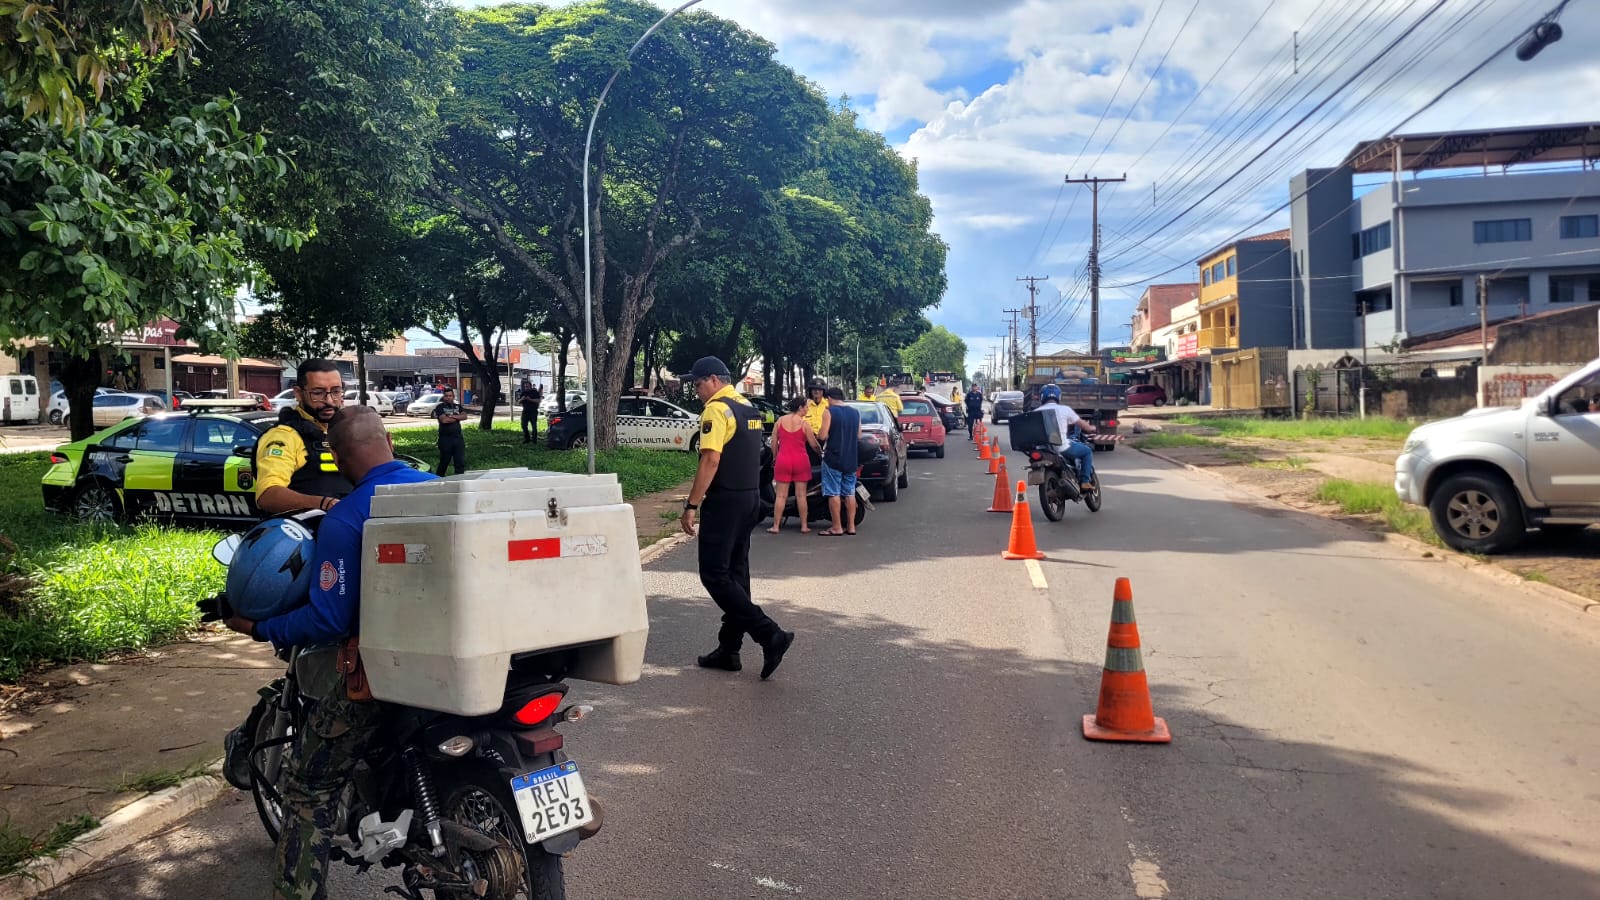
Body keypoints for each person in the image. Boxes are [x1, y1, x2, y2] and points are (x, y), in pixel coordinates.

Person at [223, 406, 437, 900]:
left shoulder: (349, 516)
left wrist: (260, 627)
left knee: (307, 789)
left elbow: (328, 620)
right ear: (386, 439)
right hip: (455, 661)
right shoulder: (437, 488)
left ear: (338, 458)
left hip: (384, 671)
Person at [679, 357, 794, 679]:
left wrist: (691, 505)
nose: (697, 390)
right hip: (750, 498)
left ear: (713, 380)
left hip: (726, 499)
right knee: (736, 574)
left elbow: (711, 460)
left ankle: (769, 633)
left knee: (715, 575)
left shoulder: (717, 410)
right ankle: (729, 649)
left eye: (698, 383)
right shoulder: (748, 408)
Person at [255, 359, 353, 516]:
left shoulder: (345, 431)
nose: (329, 401)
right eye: (318, 393)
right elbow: (268, 495)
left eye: (336, 391)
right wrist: (324, 504)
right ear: (298, 393)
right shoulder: (284, 437)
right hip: (305, 534)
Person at [767, 396, 820, 534]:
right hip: (801, 461)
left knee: (780, 496)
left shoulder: (779, 422)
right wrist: (821, 453)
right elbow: (814, 444)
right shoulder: (804, 424)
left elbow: (773, 442)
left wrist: (775, 457)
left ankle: (776, 526)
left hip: (783, 459)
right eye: (806, 406)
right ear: (800, 408)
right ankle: (803, 526)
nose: (807, 409)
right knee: (801, 495)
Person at [1035, 384, 1097, 492]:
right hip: (1062, 448)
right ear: (1058, 396)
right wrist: (1091, 428)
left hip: (1043, 449)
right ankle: (1085, 482)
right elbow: (1081, 424)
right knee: (1086, 452)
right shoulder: (1065, 409)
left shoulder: (1036, 412)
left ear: (1042, 397)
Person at [816, 386, 859, 536]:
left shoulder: (829, 412)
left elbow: (822, 436)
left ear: (829, 398)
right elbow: (859, 434)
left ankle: (837, 527)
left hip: (833, 458)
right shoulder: (855, 412)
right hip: (851, 458)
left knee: (833, 492)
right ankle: (851, 526)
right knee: (850, 492)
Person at [434, 386, 470, 476]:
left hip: (458, 439)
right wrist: (458, 417)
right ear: (444, 397)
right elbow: (444, 420)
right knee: (444, 462)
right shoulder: (440, 407)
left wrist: (452, 416)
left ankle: (459, 481)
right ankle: (438, 479)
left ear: (453, 396)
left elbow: (464, 416)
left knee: (460, 462)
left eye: (450, 396)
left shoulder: (458, 406)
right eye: (446, 396)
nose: (448, 397)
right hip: (445, 439)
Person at [519, 378, 542, 444]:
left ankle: (534, 440)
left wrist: (530, 399)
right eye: (525, 386)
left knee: (534, 426)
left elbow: (538, 401)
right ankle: (527, 438)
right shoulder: (523, 393)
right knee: (523, 425)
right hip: (525, 411)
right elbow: (518, 402)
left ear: (530, 386)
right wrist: (522, 399)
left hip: (533, 411)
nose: (526, 387)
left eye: (527, 386)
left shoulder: (534, 392)